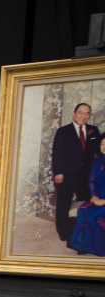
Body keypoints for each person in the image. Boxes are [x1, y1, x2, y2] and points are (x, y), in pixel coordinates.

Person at [52, 102, 101, 242]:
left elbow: (99, 150)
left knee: (85, 203)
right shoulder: (63, 131)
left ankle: (82, 230)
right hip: (66, 174)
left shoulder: (93, 130)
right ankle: (63, 232)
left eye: (87, 113)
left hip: (86, 175)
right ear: (74, 113)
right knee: (64, 203)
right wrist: (58, 172)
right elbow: (57, 153)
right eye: (80, 112)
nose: (83, 116)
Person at [69, 136, 105, 256]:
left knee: (95, 214)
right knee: (83, 210)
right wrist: (93, 195)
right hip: (97, 198)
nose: (104, 147)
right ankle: (84, 245)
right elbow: (91, 181)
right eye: (102, 144)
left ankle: (98, 247)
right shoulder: (97, 162)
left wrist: (103, 201)